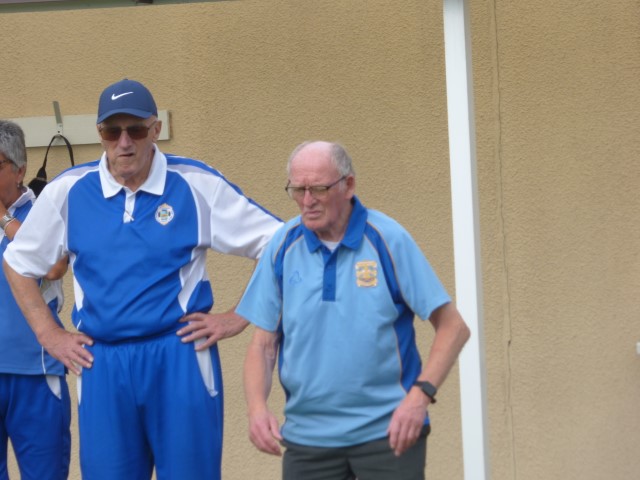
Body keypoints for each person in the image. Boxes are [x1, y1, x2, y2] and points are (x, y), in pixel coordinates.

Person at [3, 79, 282, 480]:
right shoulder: (69, 190)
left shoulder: (195, 184)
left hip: (179, 355)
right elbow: (18, 264)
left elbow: (279, 244)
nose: (124, 142)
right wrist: (49, 334)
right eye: (112, 131)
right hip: (102, 360)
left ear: (155, 130)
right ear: (99, 133)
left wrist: (238, 317)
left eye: (135, 129)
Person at [237, 141, 471, 480]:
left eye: (318, 189)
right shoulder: (283, 245)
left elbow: (453, 327)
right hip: (307, 439)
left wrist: (420, 397)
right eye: (298, 189)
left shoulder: (388, 238)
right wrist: (257, 408)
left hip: (389, 431)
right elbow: (263, 344)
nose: (307, 201)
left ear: (348, 185)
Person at [0, 120, 71, 480]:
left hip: (35, 372)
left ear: (19, 170)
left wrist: (3, 219)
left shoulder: (44, 210)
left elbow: (54, 265)